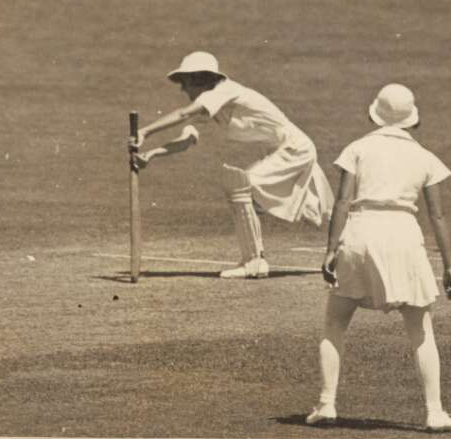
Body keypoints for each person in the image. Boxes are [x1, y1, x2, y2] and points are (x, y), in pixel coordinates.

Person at [306, 83, 451, 433]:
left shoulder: (358, 148)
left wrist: (331, 249)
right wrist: (450, 266)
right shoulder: (423, 156)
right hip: (403, 237)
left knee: (335, 323)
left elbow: (343, 202)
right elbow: (437, 216)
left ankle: (327, 403)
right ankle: (434, 412)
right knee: (421, 330)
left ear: (376, 112)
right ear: (411, 117)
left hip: (361, 234)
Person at [130, 51, 334, 279]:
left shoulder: (225, 90)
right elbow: (187, 139)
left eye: (185, 82)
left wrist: (144, 131)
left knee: (240, 187)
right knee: (310, 210)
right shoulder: (211, 106)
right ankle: (337, 238)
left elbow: (182, 114)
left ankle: (255, 262)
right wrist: (152, 154)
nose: (183, 90)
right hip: (282, 151)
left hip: (295, 149)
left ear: (201, 79)